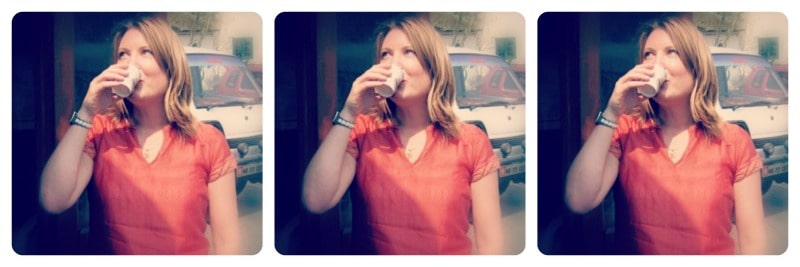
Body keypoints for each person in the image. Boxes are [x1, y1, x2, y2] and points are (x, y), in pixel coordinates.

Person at [565, 15, 767, 255]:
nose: (655, 64)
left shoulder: (733, 141)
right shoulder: (627, 131)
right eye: (648, 54)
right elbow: (578, 199)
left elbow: (753, 245)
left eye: (671, 51)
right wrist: (612, 111)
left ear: (696, 65)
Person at [39, 15, 241, 255]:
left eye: (145, 52)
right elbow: (53, 200)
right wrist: (87, 111)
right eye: (123, 54)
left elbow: (228, 244)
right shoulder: (101, 130)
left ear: (171, 65)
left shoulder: (208, 141)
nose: (130, 64)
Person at [302, 15, 503, 255]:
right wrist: (349, 111)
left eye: (408, 52)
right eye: (386, 54)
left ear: (433, 65)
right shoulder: (364, 130)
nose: (393, 64)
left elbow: (491, 245)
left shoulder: (471, 141)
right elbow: (316, 199)